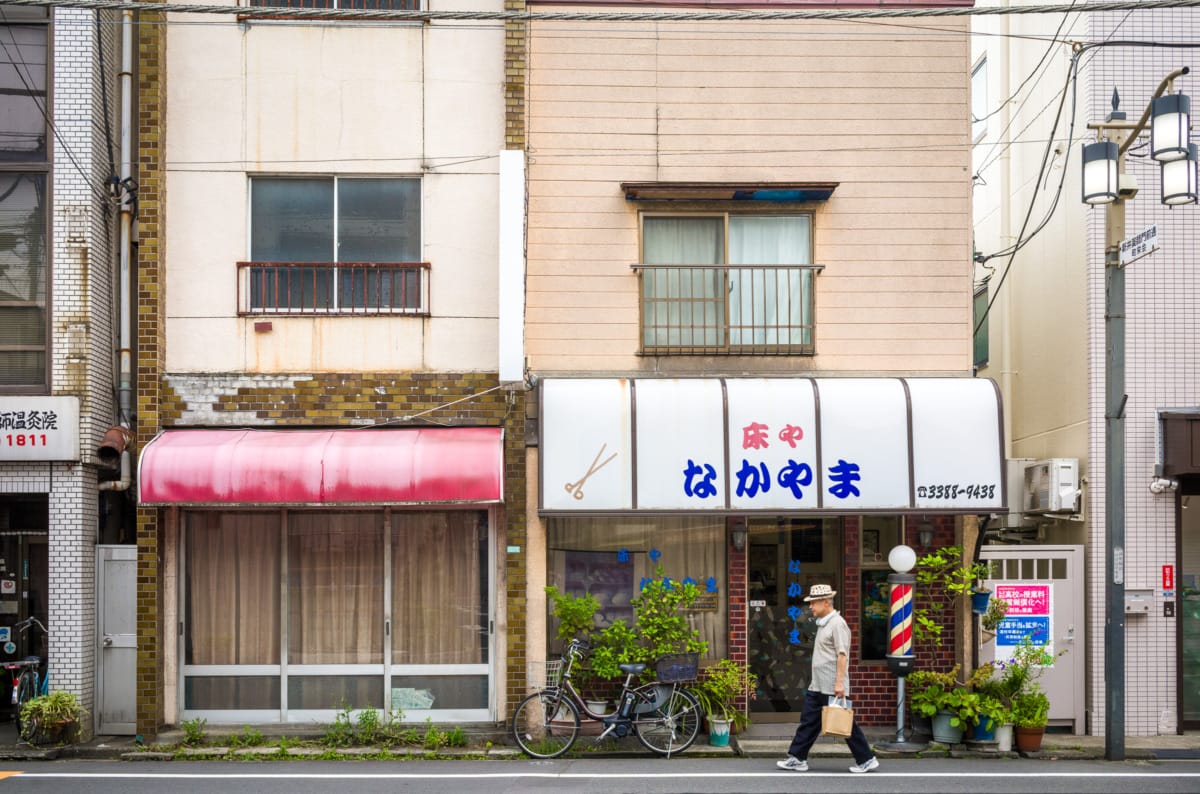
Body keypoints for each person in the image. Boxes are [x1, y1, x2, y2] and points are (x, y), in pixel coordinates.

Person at [776, 583, 880, 774]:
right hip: (818, 685)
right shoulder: (824, 623)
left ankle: (866, 759)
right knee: (809, 721)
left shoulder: (837, 624)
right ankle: (798, 758)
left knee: (845, 723)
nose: (810, 607)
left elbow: (842, 655)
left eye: (813, 603)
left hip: (833, 685)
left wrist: (839, 683)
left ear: (826, 602)